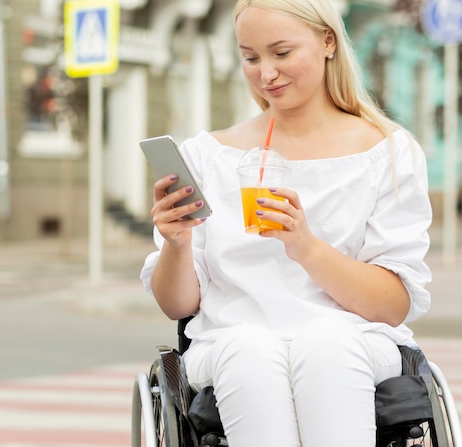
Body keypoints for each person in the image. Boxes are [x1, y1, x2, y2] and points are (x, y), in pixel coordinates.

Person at [140, 0, 432, 445]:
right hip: (232, 343)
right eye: (251, 57)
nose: (266, 74)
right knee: (250, 350)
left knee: (325, 342)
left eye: (281, 53)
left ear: (328, 41)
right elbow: (177, 305)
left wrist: (305, 246)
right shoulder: (207, 156)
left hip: (352, 340)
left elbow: (392, 305)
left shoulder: (388, 153)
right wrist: (176, 244)